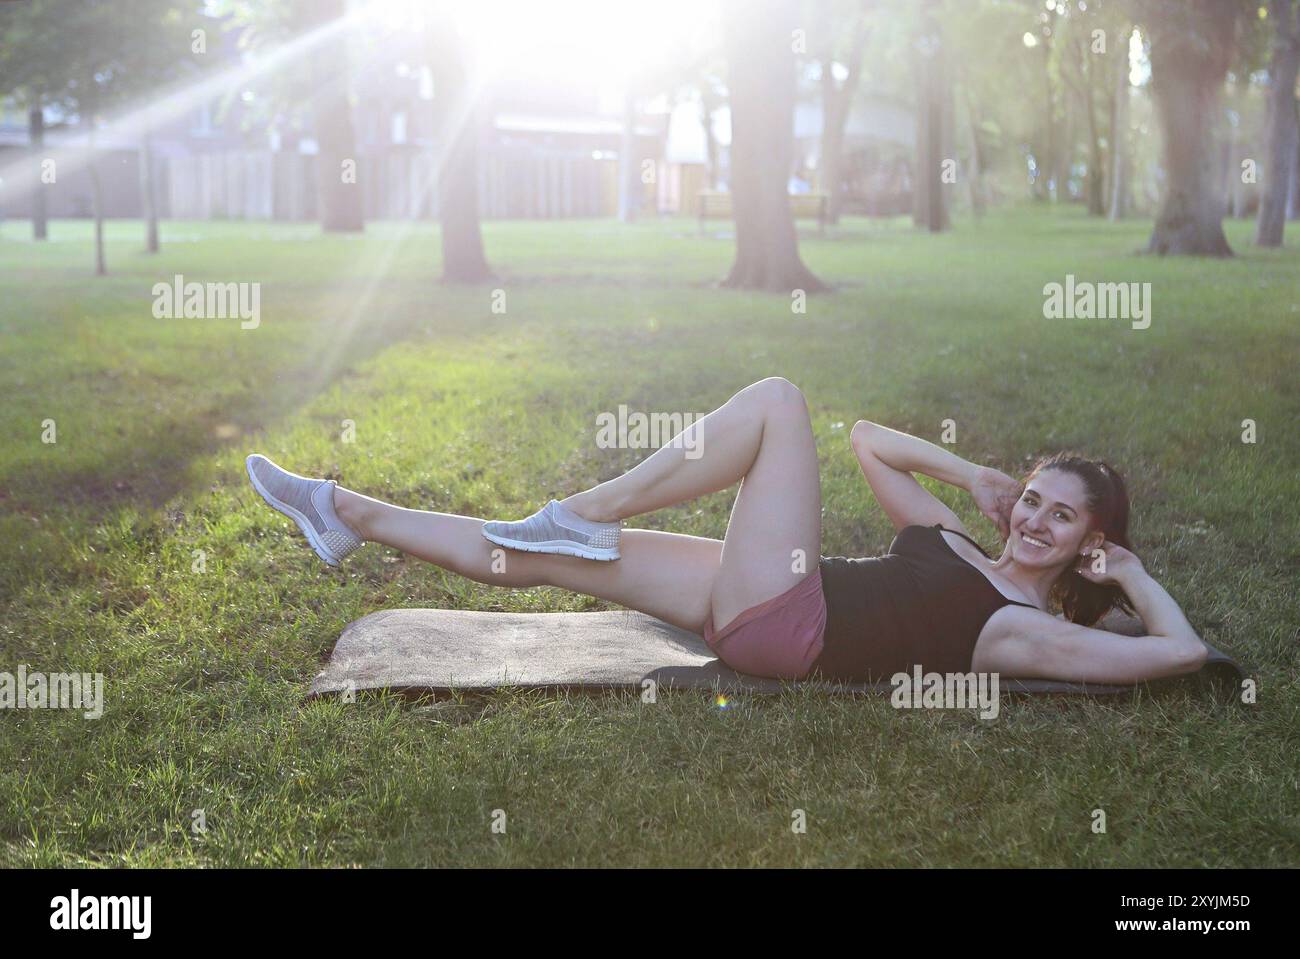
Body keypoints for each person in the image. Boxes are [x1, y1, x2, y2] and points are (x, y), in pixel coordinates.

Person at [245, 377, 1208, 685]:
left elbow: (1181, 651)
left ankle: (592, 507)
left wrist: (1124, 572)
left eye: (1060, 515)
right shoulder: (958, 539)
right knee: (526, 555)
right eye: (1035, 498)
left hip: (792, 621)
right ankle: (345, 514)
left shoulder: (1021, 624)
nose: (1035, 519)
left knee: (778, 402)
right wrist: (973, 475)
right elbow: (869, 442)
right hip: (766, 597)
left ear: (1089, 540)